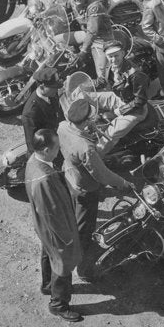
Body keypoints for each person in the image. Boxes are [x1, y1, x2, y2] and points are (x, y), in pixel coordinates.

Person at [58, 99, 133, 279]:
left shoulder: (62, 126)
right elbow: (101, 174)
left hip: (68, 176)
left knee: (71, 213)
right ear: (84, 122)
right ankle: (83, 267)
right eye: (90, 119)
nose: (93, 120)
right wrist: (123, 183)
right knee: (84, 228)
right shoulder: (86, 147)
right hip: (84, 189)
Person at [25, 129, 83, 322]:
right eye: (57, 147)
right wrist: (66, 237)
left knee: (48, 253)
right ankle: (58, 304)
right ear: (47, 149)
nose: (60, 150)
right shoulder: (45, 178)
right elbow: (53, 214)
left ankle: (48, 286)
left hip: (43, 225)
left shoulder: (33, 161)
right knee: (62, 263)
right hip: (56, 230)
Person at [66, 0, 114, 87]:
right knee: (57, 39)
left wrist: (83, 52)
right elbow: (61, 9)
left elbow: (93, 32)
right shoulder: (72, 2)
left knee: (102, 79)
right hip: (85, 34)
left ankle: (107, 94)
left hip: (101, 40)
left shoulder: (95, 7)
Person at [21, 67, 65, 154]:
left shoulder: (51, 93)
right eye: (53, 87)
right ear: (42, 87)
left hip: (58, 135)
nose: (56, 90)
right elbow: (32, 144)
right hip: (48, 147)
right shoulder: (30, 113)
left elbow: (57, 111)